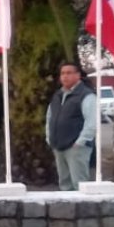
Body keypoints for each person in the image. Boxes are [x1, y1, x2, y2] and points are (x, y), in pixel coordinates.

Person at [45, 62, 97, 191]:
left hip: (76, 147)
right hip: (58, 146)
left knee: (79, 185)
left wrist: (80, 142)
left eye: (69, 73)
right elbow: (49, 117)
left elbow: (92, 122)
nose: (65, 76)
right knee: (64, 184)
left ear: (78, 75)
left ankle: (83, 210)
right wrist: (49, 138)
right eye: (62, 73)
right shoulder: (57, 95)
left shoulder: (86, 95)